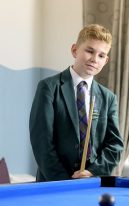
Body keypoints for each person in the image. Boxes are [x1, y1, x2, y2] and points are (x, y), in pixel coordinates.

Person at [29, 24, 123, 182]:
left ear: (106, 61)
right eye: (89, 51)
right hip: (53, 183)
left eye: (101, 55)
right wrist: (64, 181)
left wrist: (92, 172)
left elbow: (115, 146)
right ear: (74, 50)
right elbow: (42, 143)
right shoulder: (48, 88)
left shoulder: (108, 98)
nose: (94, 59)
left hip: (90, 183)